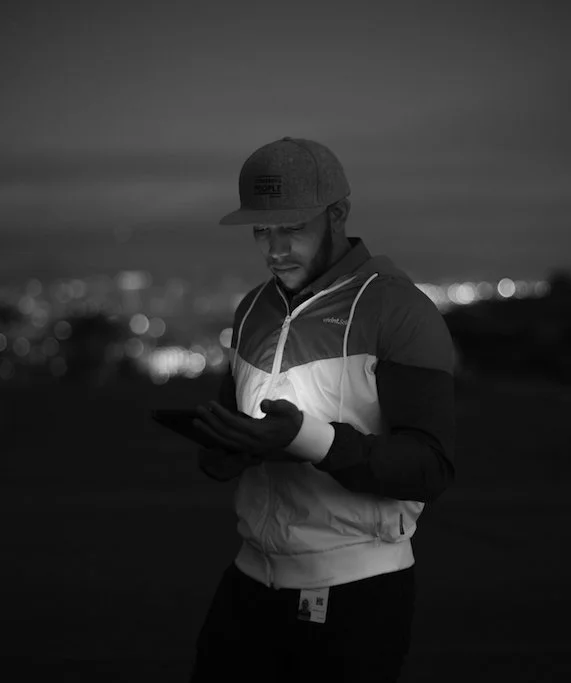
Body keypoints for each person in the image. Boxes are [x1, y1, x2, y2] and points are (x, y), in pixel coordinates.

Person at [189, 137, 456, 683]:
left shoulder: (397, 308)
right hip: (249, 580)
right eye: (262, 230)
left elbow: (429, 467)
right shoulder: (253, 308)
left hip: (357, 590)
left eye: (291, 228)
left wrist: (309, 439)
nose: (274, 249)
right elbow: (226, 444)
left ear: (338, 214)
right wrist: (225, 447)